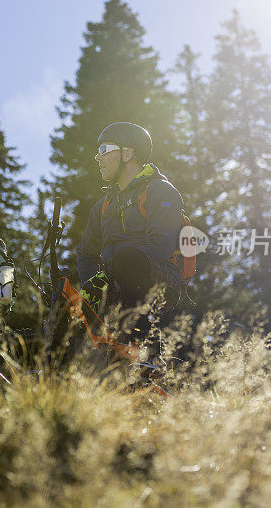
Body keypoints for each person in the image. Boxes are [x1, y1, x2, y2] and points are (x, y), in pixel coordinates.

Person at [76, 122, 184, 364]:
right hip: (115, 280)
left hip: (159, 278)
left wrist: (111, 270)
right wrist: (94, 283)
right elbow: (85, 252)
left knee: (129, 261)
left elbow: (161, 245)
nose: (98, 157)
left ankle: (146, 356)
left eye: (104, 149)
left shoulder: (161, 191)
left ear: (128, 153)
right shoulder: (103, 206)